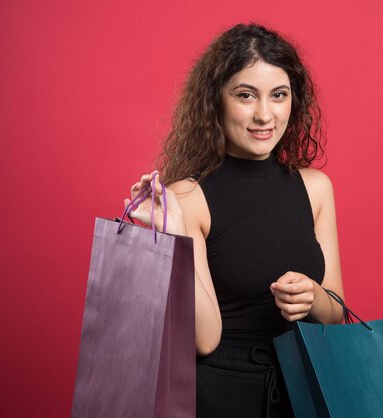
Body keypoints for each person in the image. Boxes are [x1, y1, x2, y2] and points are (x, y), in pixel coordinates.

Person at [125, 23, 344, 418]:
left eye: (279, 95)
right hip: (221, 397)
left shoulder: (315, 188)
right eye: (246, 95)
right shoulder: (187, 197)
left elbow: (337, 312)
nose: (264, 114)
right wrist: (173, 233)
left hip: (304, 395)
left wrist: (312, 294)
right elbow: (204, 340)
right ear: (216, 102)